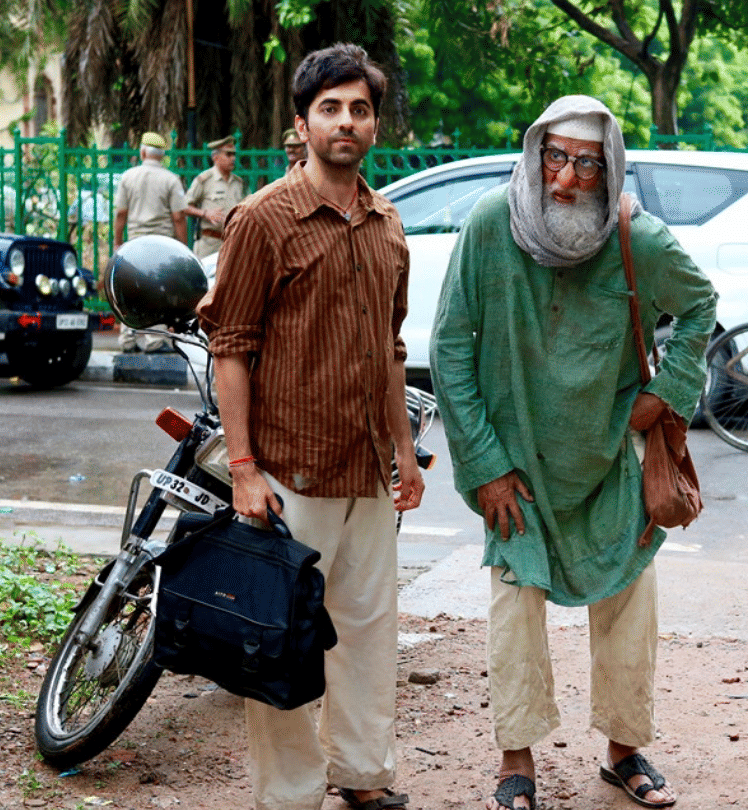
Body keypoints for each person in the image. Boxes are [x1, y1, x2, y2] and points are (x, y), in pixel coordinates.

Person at [429, 95, 717, 810]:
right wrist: (486, 465)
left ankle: (624, 751)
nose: (564, 179)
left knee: (627, 603)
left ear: (609, 168)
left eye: (586, 164)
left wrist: (666, 393)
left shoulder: (636, 239)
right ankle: (516, 760)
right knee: (514, 609)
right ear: (534, 155)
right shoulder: (492, 223)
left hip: (609, 464)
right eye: (554, 157)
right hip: (515, 464)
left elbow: (701, 304)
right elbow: (449, 348)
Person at [195, 43, 423, 810]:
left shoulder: (388, 224)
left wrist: (405, 452)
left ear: (374, 124)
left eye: (359, 108)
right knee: (283, 639)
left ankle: (362, 775)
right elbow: (230, 345)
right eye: (330, 108)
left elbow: (390, 351)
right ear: (303, 123)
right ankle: (290, 793)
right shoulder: (263, 219)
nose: (346, 121)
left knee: (367, 636)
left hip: (367, 472)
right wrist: (245, 466)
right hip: (291, 472)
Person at [113, 131, 188, 352]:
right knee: (157, 291)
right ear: (162, 155)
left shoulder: (128, 176)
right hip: (162, 245)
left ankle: (127, 339)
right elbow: (179, 217)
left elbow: (120, 214)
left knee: (131, 291)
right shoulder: (171, 179)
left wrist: (118, 242)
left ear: (143, 152)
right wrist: (182, 247)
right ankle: (154, 340)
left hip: (135, 244)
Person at [184, 135, 247, 258]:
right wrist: (205, 213)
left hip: (233, 242)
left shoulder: (239, 183)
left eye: (234, 154)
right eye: (228, 155)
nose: (233, 158)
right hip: (209, 243)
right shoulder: (205, 180)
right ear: (215, 157)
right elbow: (184, 206)